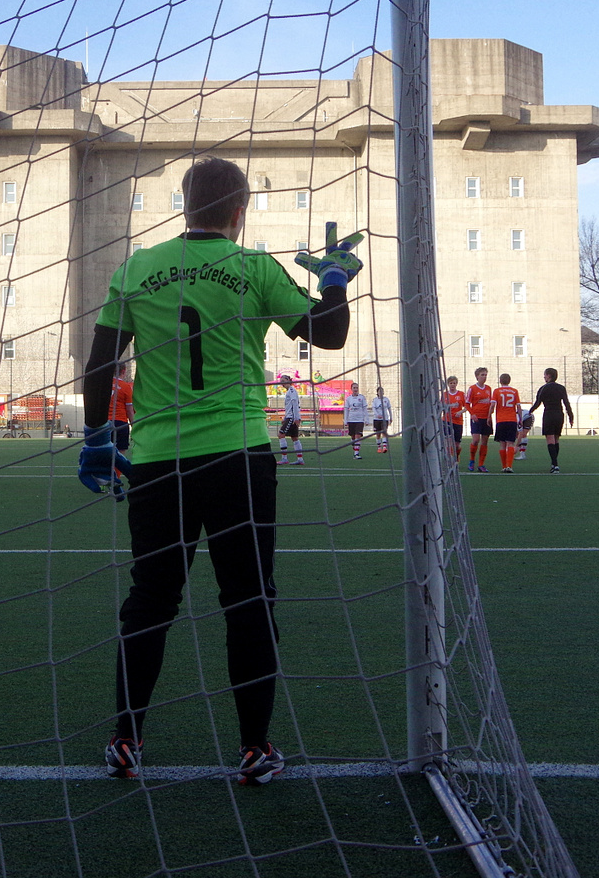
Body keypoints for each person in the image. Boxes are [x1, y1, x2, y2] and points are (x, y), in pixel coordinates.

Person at [75, 157, 355, 785]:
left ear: (185, 205)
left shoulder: (137, 268)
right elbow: (329, 335)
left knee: (150, 599)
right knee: (248, 599)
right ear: (239, 211)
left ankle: (127, 738)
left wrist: (97, 437)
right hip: (238, 458)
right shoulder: (253, 268)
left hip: (156, 462)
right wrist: (334, 278)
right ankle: (255, 747)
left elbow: (100, 368)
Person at [528, 368, 574, 473]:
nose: (544, 377)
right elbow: (566, 403)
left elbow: (537, 402)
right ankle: (554, 464)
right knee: (556, 439)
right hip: (559, 414)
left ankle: (555, 464)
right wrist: (571, 417)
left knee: (550, 439)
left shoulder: (543, 388)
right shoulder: (561, 388)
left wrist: (530, 411)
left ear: (548, 376)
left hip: (549, 414)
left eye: (545, 375)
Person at [110, 361, 135, 494]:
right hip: (120, 424)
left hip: (105, 424)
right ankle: (114, 482)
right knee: (119, 455)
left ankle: (104, 482)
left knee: (106, 455)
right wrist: (134, 426)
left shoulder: (104, 385)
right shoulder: (126, 387)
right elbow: (130, 410)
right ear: (124, 371)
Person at [490, 374, 521, 471]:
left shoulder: (497, 391)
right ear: (509, 381)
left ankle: (504, 467)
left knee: (502, 443)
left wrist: (489, 416)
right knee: (510, 443)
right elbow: (518, 407)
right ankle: (509, 466)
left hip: (501, 420)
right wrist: (520, 419)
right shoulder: (514, 391)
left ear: (500, 381)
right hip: (512, 420)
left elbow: (492, 405)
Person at [466, 368, 493, 473]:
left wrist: (490, 416)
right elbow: (467, 403)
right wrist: (472, 414)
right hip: (476, 418)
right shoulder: (472, 388)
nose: (484, 377)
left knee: (485, 441)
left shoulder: (489, 388)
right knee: (476, 440)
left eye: (486, 375)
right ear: (477, 376)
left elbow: (491, 403)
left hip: (486, 418)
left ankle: (481, 464)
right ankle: (471, 460)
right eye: (482, 375)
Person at [276, 375, 305, 466]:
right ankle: (300, 459)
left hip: (291, 418)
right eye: (281, 381)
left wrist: (296, 418)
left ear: (289, 381)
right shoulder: (289, 391)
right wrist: (285, 418)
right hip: (290, 417)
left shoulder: (291, 391)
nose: (282, 383)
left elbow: (295, 404)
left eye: (284, 381)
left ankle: (284, 458)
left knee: (281, 435)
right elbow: (290, 406)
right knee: (294, 438)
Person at [440, 376, 468, 467]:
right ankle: (450, 461)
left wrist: (460, 412)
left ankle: (456, 456)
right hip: (446, 420)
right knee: (448, 441)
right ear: (448, 384)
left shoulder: (461, 394)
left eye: (454, 383)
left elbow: (467, 407)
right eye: (451, 383)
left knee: (457, 445)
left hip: (458, 422)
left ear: (456, 384)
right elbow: (440, 406)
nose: (452, 385)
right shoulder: (444, 395)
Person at [344, 382, 368, 459]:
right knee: (353, 436)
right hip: (351, 419)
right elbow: (346, 410)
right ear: (351, 389)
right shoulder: (348, 399)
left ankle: (356, 454)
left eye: (356, 388)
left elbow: (365, 409)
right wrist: (346, 420)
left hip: (360, 420)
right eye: (354, 388)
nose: (355, 389)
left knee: (358, 435)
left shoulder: (362, 398)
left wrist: (366, 419)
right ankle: (354, 444)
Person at [371, 385, 392, 454]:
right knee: (378, 434)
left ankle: (385, 447)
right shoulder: (375, 400)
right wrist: (377, 415)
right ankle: (379, 447)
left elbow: (389, 408)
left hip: (384, 419)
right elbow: (373, 408)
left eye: (382, 391)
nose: (381, 393)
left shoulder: (386, 399)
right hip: (377, 419)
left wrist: (390, 417)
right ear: (377, 393)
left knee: (384, 432)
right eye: (379, 391)